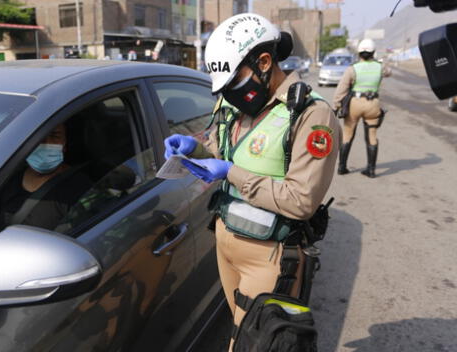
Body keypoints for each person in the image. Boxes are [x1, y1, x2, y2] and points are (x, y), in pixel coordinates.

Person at [163, 13, 340, 349]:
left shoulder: (310, 114)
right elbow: (222, 149)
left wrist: (230, 173)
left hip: (270, 255)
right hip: (227, 241)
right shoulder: (238, 107)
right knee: (239, 331)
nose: (229, 92)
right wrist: (195, 148)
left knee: (257, 341)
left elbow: (301, 200)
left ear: (263, 62)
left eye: (234, 80)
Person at [0, 123, 93, 234]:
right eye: (39, 136)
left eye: (55, 135)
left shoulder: (78, 187)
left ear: (64, 144)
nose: (46, 143)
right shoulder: (7, 177)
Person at [333, 38, 391, 178]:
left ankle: (342, 167)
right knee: (372, 136)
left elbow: (341, 89)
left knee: (348, 134)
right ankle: (371, 170)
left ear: (359, 53)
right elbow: (389, 72)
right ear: (373, 52)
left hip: (355, 104)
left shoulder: (353, 69)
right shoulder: (380, 67)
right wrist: (380, 62)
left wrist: (336, 105)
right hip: (373, 105)